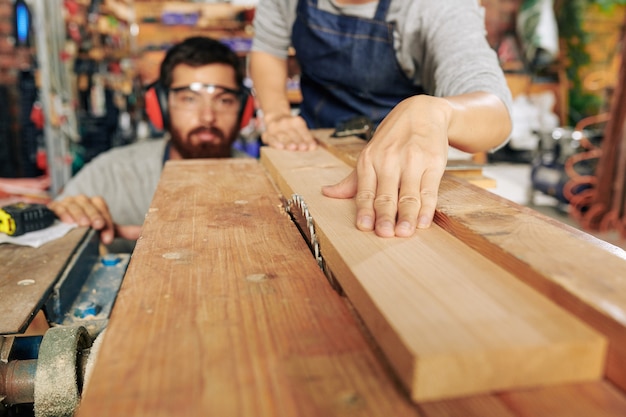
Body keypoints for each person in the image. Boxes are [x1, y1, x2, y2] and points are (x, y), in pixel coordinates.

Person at [249, 0, 513, 238]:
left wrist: (434, 112)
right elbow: (269, 49)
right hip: (311, 146)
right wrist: (276, 115)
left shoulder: (437, 7)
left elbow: (496, 114)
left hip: (398, 168)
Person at [49, 36, 251, 250]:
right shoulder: (112, 173)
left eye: (224, 100)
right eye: (189, 99)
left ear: (244, 110)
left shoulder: (265, 182)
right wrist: (69, 218)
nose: (208, 117)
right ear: (160, 106)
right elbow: (46, 242)